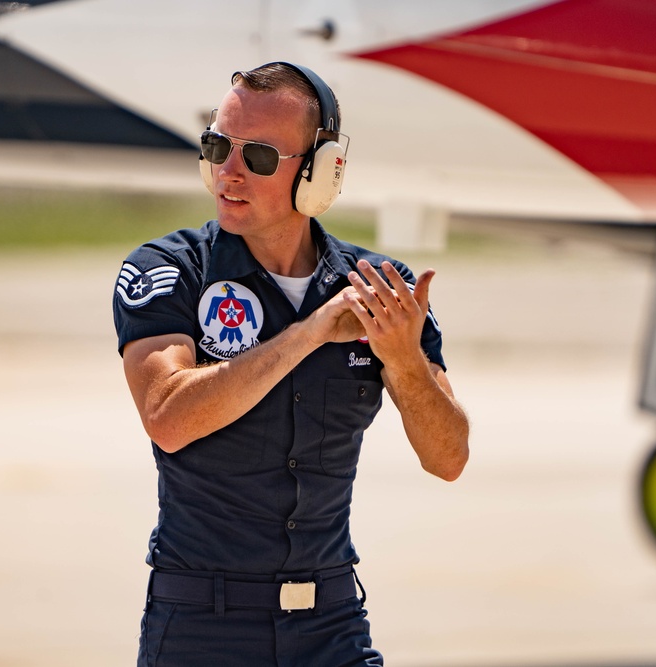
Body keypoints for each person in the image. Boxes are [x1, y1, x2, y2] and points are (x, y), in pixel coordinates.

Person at [112, 61, 469, 667]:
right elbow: (166, 416)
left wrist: (404, 362)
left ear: (318, 173)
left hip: (333, 624)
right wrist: (307, 334)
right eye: (218, 146)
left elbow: (449, 457)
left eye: (256, 157)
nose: (228, 172)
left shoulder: (380, 289)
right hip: (202, 628)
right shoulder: (171, 269)